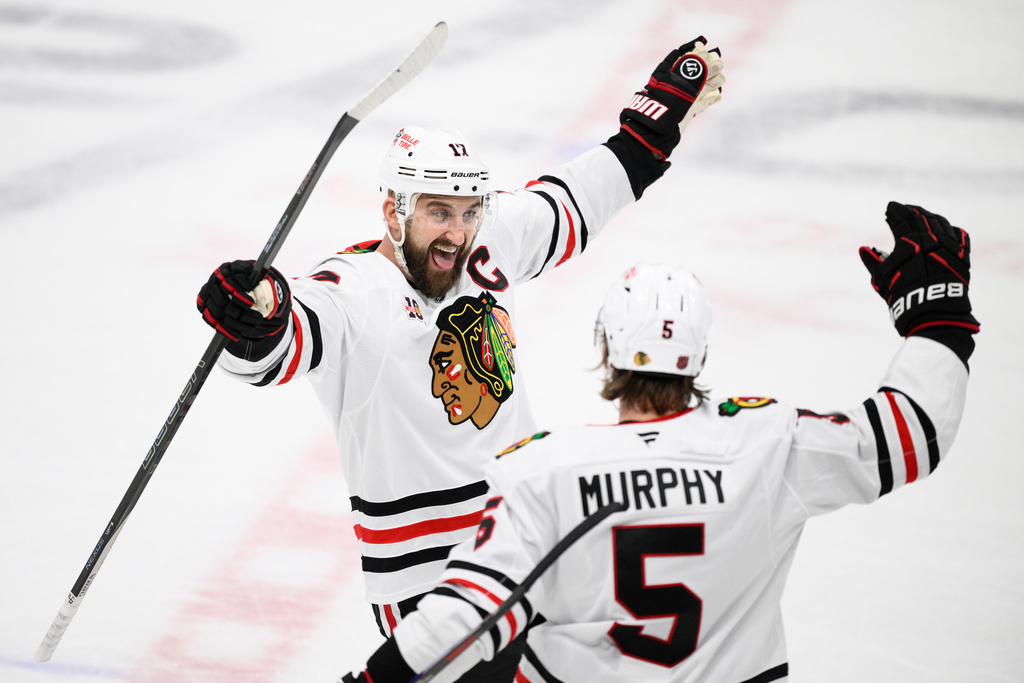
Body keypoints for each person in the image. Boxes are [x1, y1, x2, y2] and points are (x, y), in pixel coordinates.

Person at [195, 36, 725, 680]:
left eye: (469, 213)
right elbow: (284, 339)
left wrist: (649, 128)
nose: (456, 232)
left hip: (526, 547)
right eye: (437, 212)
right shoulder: (355, 293)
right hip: (429, 585)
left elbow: (573, 202)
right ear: (394, 210)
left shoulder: (480, 246)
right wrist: (254, 318)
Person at [339, 201, 979, 683]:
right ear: (698, 354)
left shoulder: (545, 472)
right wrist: (936, 318)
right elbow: (910, 433)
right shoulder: (765, 441)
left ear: (606, 348)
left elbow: (464, 621)